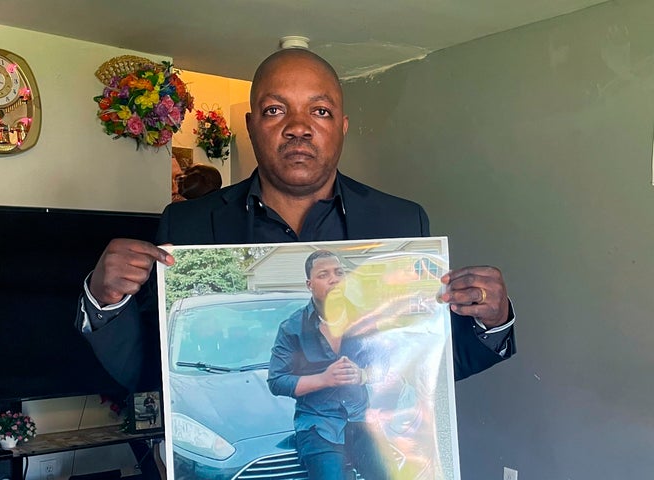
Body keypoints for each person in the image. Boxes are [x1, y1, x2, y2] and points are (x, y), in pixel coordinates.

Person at [76, 47, 515, 400]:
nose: (298, 128)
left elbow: (425, 364)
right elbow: (153, 370)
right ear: (250, 126)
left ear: (342, 127)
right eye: (274, 110)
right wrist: (104, 300)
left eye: (320, 112)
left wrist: (492, 322)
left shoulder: (401, 220)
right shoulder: (188, 224)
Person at [268, 250, 391, 479]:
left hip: (360, 420)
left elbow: (385, 365)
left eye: (338, 273)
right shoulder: (292, 328)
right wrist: (324, 379)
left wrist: (362, 375)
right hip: (318, 426)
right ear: (309, 284)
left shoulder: (365, 320)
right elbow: (276, 381)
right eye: (324, 274)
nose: (334, 279)